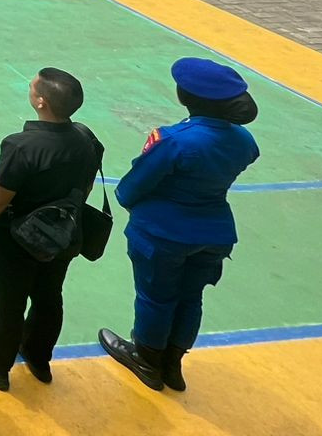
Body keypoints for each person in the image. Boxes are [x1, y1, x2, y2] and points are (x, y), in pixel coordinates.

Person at [98, 58, 260, 393]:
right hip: (214, 231)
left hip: (164, 233)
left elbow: (131, 188)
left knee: (155, 297)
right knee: (191, 297)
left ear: (186, 96)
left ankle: (146, 358)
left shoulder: (174, 140)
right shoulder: (243, 141)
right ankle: (172, 364)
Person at [0, 68, 103, 392]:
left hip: (18, 238)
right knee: (49, 294)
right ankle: (38, 357)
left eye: (33, 86)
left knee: (9, 298)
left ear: (41, 102)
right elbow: (87, 185)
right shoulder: (86, 139)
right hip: (64, 234)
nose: (30, 86)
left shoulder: (22, 146)